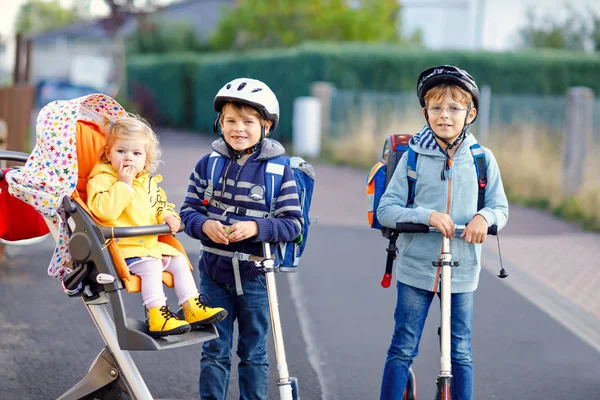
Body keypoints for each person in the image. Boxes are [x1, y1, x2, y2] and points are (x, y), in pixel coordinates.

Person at [377, 65, 509, 400]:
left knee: (460, 351)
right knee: (403, 347)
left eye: (454, 108)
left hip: (462, 269)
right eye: (435, 108)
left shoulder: (482, 159)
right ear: (425, 112)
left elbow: (501, 209)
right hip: (416, 266)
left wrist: (483, 216)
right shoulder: (413, 158)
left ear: (471, 113)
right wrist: (427, 215)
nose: (444, 116)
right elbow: (386, 210)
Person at [180, 78, 303, 400]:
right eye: (230, 121)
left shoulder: (279, 171)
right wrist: (204, 225)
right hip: (213, 273)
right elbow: (188, 211)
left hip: (256, 277)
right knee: (214, 350)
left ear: (266, 126)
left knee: (253, 352)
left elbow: (293, 224)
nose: (238, 129)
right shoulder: (208, 164)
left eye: (248, 122)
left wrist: (256, 228)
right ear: (219, 123)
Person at [86, 114, 228, 338]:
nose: (128, 159)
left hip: (149, 245)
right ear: (107, 154)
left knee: (180, 261)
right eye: (121, 151)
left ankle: (191, 307)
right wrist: (123, 184)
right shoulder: (102, 179)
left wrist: (169, 216)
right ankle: (157, 315)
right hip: (124, 248)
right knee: (152, 267)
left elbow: (160, 204)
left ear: (146, 159)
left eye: (136, 153)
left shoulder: (148, 182)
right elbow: (103, 211)